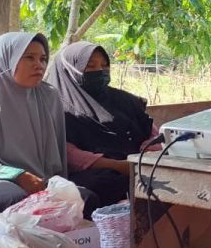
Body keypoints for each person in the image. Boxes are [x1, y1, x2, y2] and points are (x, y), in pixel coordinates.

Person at [0, 32, 99, 232]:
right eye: (29, 57)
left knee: (85, 199)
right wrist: (16, 175)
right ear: (5, 60)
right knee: (10, 201)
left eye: (43, 59)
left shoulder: (47, 97)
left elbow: (55, 158)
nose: (39, 65)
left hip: (39, 181)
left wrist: (52, 185)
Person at [48, 41, 157, 207]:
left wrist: (147, 157)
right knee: (105, 183)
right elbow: (67, 153)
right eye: (90, 66)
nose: (99, 71)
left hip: (139, 164)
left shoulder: (124, 100)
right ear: (69, 70)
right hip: (95, 171)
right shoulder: (56, 107)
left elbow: (152, 133)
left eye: (105, 65)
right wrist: (120, 166)